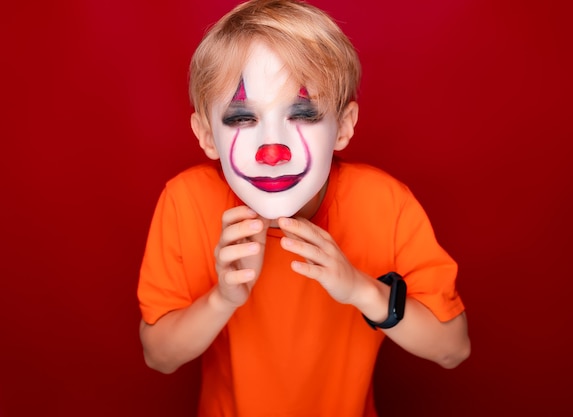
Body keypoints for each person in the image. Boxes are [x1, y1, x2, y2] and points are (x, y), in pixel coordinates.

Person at [137, 0, 470, 416]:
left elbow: (453, 348)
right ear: (206, 135)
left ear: (344, 126)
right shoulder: (186, 201)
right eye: (242, 119)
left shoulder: (385, 203)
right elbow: (159, 355)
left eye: (305, 113)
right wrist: (221, 299)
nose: (272, 151)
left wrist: (359, 289)